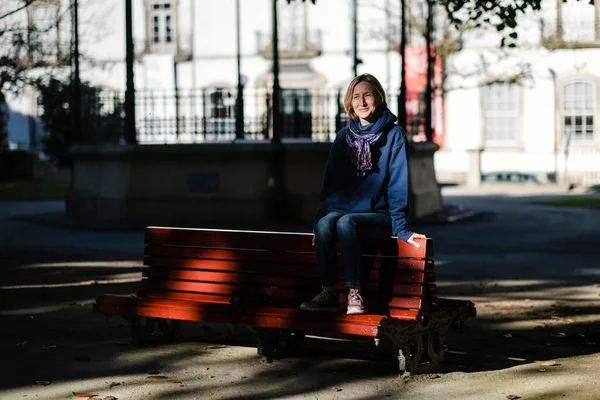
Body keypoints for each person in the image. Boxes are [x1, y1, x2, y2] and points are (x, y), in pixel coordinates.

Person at [300, 73, 426, 315]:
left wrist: (400, 227)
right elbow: (330, 183)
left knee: (347, 223)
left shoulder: (394, 135)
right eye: (356, 97)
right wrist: (319, 221)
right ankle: (328, 291)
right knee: (326, 224)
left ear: (378, 97)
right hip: (345, 211)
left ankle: (354, 293)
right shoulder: (343, 137)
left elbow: (398, 184)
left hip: (379, 215)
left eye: (367, 95)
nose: (362, 102)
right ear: (350, 102)